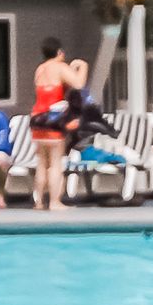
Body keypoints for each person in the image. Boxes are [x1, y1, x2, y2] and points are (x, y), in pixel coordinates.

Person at [29, 53, 90, 210]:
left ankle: (39, 202)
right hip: (53, 118)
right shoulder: (60, 67)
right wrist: (83, 66)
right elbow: (78, 84)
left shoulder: (40, 69)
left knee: (42, 163)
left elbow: (55, 84)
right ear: (58, 52)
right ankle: (55, 202)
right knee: (55, 163)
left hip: (36, 118)